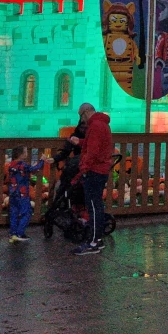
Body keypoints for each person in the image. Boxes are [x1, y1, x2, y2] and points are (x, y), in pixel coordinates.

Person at [70, 103, 114, 255]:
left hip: (94, 170)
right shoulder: (102, 124)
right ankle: (98, 239)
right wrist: (80, 142)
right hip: (101, 169)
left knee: (94, 207)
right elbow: (96, 144)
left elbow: (93, 151)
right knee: (97, 205)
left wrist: (83, 168)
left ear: (86, 112)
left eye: (81, 116)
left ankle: (94, 242)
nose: (82, 120)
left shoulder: (95, 125)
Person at [7, 146, 43, 243]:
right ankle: (20, 233)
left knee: (14, 213)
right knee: (26, 212)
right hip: (22, 193)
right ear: (21, 154)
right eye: (26, 152)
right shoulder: (23, 165)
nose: (27, 154)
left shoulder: (11, 165)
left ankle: (13, 233)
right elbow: (35, 168)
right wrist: (42, 161)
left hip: (13, 193)